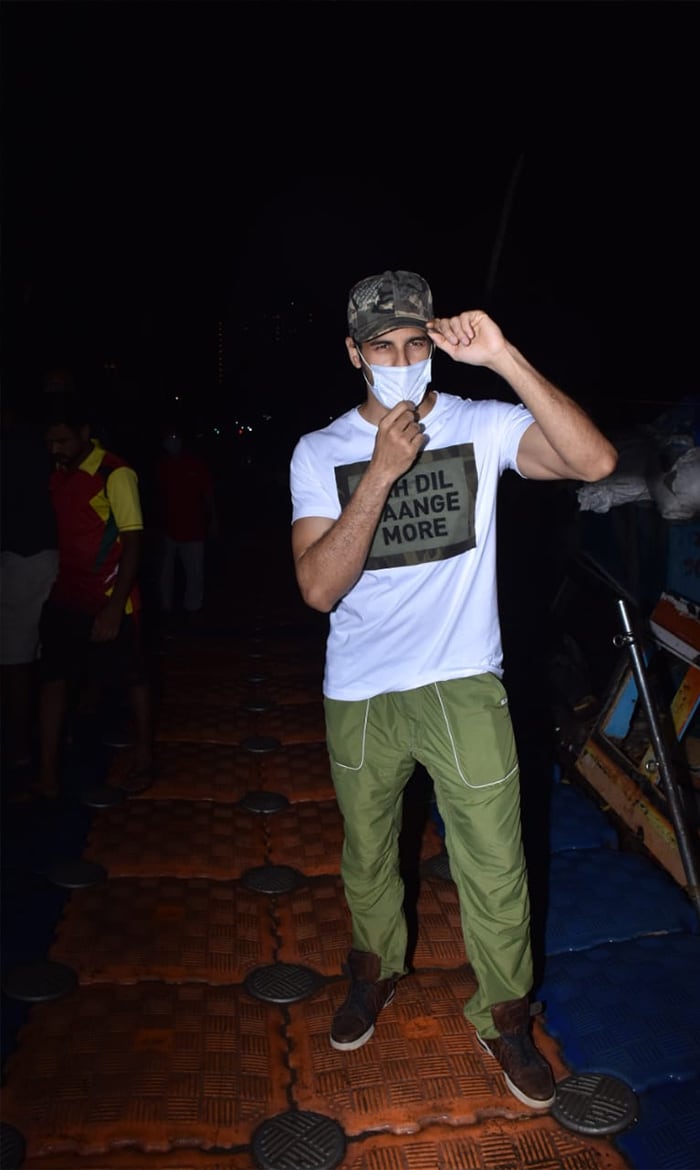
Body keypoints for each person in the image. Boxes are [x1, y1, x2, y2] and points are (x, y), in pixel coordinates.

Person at [289, 270, 618, 1110]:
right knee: (368, 856)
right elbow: (319, 588)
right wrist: (381, 475)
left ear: (433, 344)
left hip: (464, 683)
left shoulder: (479, 422)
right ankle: (372, 969)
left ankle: (505, 1015)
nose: (399, 360)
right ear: (354, 353)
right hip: (361, 690)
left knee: (496, 862)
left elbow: (595, 459)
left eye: (413, 343)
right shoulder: (320, 451)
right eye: (380, 346)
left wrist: (504, 356)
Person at [36, 395, 154, 797]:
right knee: (53, 680)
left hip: (111, 599)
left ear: (85, 434)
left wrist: (112, 610)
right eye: (50, 442)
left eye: (64, 441)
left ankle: (143, 759)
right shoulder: (58, 473)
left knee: (133, 679)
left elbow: (134, 542)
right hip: (66, 597)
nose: (56, 449)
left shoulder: (115, 473)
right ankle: (47, 776)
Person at [0, 397, 59, 781]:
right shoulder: (46, 449)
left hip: (24, 557)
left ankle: (22, 747)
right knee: (49, 657)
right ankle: (48, 744)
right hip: (54, 556)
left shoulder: (16, 450)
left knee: (17, 660)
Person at [154, 427, 218, 621]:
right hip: (168, 529)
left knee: (195, 572)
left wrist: (213, 519)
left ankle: (193, 608)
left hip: (194, 529)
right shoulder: (162, 466)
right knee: (165, 573)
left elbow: (208, 494)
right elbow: (157, 497)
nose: (173, 442)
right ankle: (165, 608)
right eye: (169, 438)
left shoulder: (195, 465)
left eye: (176, 438)